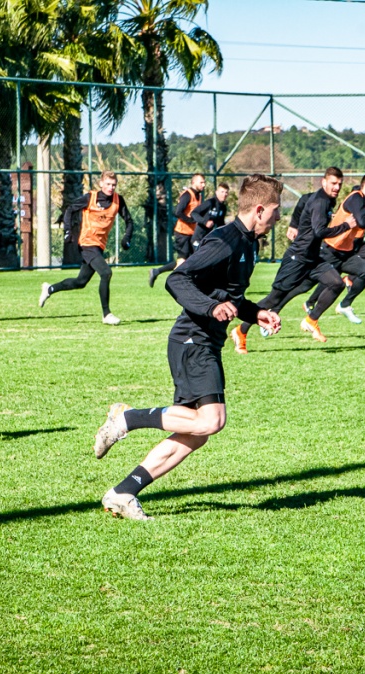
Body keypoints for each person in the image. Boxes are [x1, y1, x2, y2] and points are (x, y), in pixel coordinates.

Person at [92, 174, 284, 520]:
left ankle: (123, 492)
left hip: (205, 341)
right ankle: (126, 419)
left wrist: (257, 314)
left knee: (195, 434)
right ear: (259, 209)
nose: (278, 218)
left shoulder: (248, 244)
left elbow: (229, 297)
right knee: (212, 421)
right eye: (276, 210)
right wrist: (210, 308)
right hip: (192, 341)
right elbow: (177, 279)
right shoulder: (225, 241)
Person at [230, 167, 355, 352]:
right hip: (298, 258)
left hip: (313, 258)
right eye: (333, 183)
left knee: (336, 283)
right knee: (274, 299)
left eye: (339, 184)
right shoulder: (320, 202)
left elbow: (304, 201)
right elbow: (320, 231)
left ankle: (311, 320)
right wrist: (345, 225)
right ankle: (241, 330)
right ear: (324, 182)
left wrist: (296, 224)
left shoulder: (325, 199)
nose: (336, 187)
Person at [39, 171, 133, 325]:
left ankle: (49, 289)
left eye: (114, 185)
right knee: (106, 272)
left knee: (80, 282)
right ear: (101, 183)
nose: (111, 187)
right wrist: (68, 230)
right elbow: (69, 209)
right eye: (108, 184)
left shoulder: (118, 200)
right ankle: (106, 314)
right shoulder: (90, 198)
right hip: (87, 244)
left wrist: (126, 237)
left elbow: (129, 221)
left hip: (99, 246)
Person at [301, 173, 365, 324]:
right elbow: (364, 222)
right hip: (335, 244)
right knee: (321, 279)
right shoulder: (356, 198)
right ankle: (305, 303)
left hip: (353, 243)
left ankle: (348, 286)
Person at [149, 173, 206, 287]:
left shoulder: (199, 196)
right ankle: (177, 284)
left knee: (190, 259)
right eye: (201, 182)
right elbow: (178, 212)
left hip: (191, 233)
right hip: (182, 233)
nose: (203, 185)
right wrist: (191, 220)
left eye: (204, 182)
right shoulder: (187, 195)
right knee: (182, 261)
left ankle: (157, 272)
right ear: (193, 182)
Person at [190, 181, 229, 251]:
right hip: (198, 238)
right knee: (198, 258)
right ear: (216, 192)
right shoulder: (210, 203)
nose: (224, 194)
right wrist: (205, 222)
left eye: (226, 192)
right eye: (222, 192)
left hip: (208, 239)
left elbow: (220, 224)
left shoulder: (223, 208)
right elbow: (194, 213)